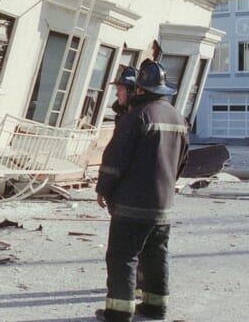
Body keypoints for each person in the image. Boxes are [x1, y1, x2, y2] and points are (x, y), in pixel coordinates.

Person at [95, 60, 189, 322]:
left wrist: (103, 188)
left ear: (140, 89)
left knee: (123, 257)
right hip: (163, 205)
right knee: (156, 255)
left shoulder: (138, 116)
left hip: (131, 206)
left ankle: (119, 312)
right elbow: (182, 161)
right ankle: (155, 307)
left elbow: (115, 159)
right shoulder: (178, 117)